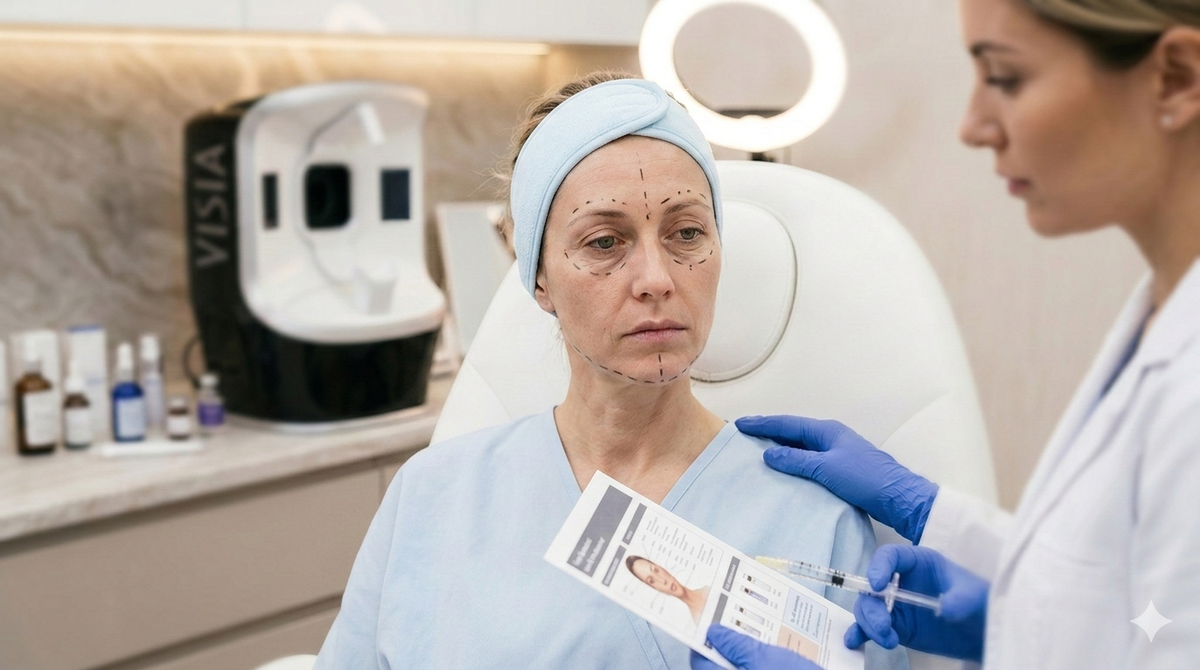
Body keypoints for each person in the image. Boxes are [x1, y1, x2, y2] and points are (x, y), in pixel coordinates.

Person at [312, 73, 906, 669]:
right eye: (603, 242)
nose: (656, 278)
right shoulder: (432, 497)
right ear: (539, 276)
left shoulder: (814, 515)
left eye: (687, 233)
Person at [694, 1, 1200, 669]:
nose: (973, 126)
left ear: (1175, 77)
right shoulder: (1164, 310)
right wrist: (938, 526)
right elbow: (1131, 595)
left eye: (1007, 78)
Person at [626, 555, 711, 622]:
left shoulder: (710, 589)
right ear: (653, 588)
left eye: (656, 570)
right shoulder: (697, 623)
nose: (663, 581)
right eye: (651, 581)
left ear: (662, 568)